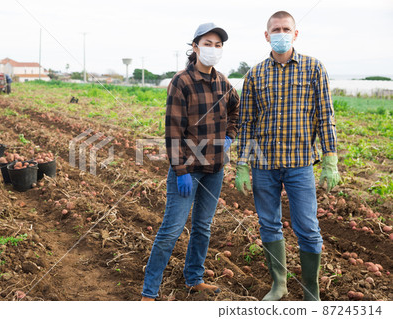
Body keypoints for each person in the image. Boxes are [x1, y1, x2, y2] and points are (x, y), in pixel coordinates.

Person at [235, 11, 341, 301]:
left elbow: (325, 117)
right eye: (275, 29)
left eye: (286, 29)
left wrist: (330, 159)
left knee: (307, 227)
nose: (280, 33)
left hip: (300, 164)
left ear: (295, 34)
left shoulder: (313, 68)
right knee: (268, 224)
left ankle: (311, 290)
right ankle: (279, 284)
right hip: (263, 166)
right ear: (267, 35)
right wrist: (242, 165)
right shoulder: (254, 74)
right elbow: (246, 123)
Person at [141, 22, 240, 301]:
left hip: (214, 169)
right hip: (187, 170)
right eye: (207, 44)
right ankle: (149, 292)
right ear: (195, 47)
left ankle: (194, 278)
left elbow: (237, 110)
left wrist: (229, 136)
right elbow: (173, 130)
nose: (213, 49)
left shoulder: (222, 82)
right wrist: (180, 170)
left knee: (203, 227)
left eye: (218, 45)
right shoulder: (181, 82)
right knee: (171, 230)